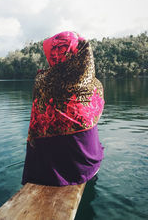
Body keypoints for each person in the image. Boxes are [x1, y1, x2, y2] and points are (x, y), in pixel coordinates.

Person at [22, 31, 105, 186]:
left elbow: (37, 125)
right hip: (87, 166)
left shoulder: (42, 82)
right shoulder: (95, 86)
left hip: (47, 173)